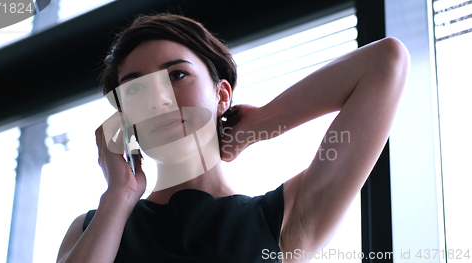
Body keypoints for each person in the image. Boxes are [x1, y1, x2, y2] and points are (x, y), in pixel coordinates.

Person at [56, 13, 409, 263]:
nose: (157, 99)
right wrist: (120, 195)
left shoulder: (285, 219)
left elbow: (385, 63)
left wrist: (258, 126)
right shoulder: (91, 229)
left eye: (177, 75)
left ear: (222, 94)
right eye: (134, 91)